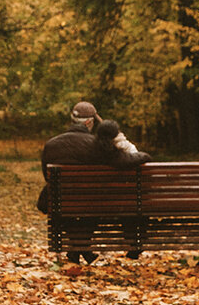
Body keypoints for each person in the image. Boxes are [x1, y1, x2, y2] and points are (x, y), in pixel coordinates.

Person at [37, 101, 151, 262]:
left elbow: (46, 175)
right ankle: (80, 249)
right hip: (95, 201)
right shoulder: (97, 146)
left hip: (61, 201)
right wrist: (144, 155)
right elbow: (125, 160)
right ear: (90, 122)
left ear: (72, 119)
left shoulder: (51, 145)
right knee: (92, 202)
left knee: (75, 206)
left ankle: (78, 250)